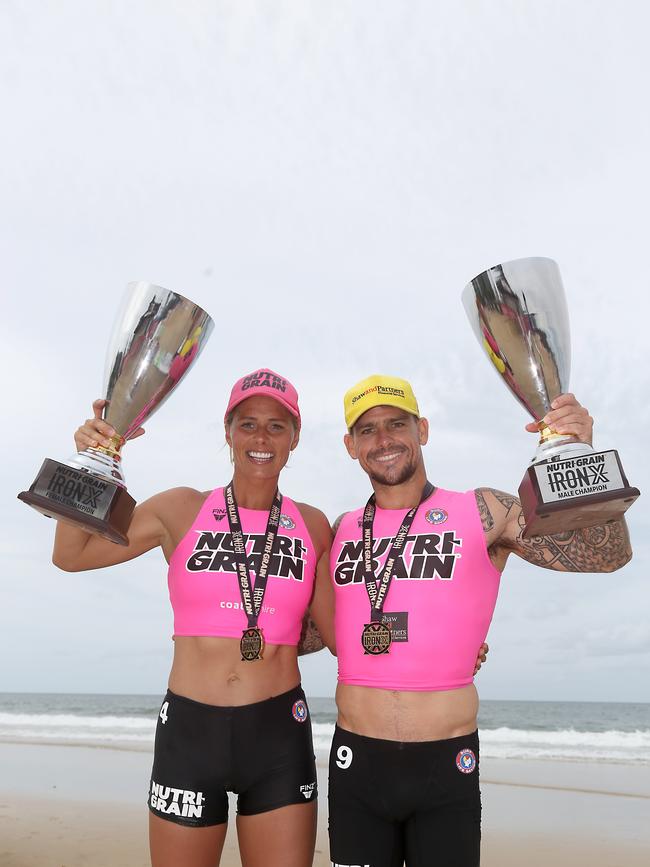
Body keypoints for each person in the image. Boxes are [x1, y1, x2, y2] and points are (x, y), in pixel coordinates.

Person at [327, 374, 632, 867]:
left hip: (445, 766)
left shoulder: (484, 511)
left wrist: (580, 458)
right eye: (367, 430)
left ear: (422, 429)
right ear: (350, 446)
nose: (383, 440)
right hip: (355, 764)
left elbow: (606, 556)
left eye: (396, 424)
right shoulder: (339, 531)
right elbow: (310, 629)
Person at [51, 368, 336, 867]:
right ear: (228, 432)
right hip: (190, 731)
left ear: (295, 437)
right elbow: (72, 553)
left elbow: (343, 634)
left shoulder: (312, 525)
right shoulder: (178, 509)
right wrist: (93, 460)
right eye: (248, 424)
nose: (261, 438)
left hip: (277, 735)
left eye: (276, 426)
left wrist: (444, 645)